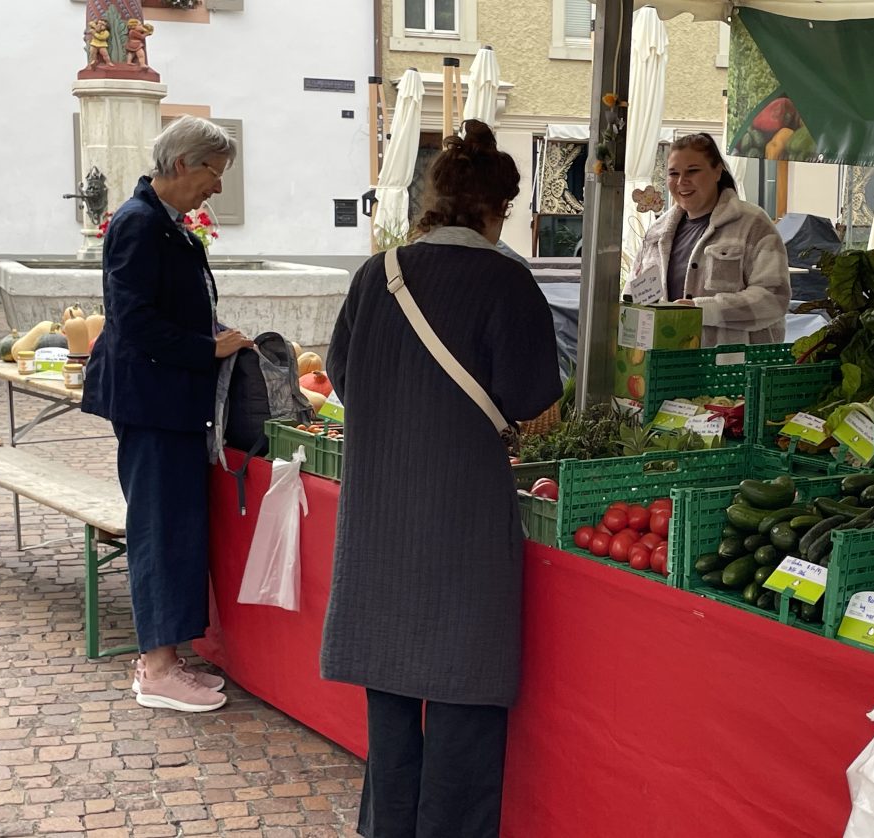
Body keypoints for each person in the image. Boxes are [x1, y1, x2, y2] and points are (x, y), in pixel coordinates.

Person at [319, 119, 561, 838]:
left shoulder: (377, 274)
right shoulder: (507, 282)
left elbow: (340, 375)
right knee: (464, 696)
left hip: (380, 513)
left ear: (436, 199)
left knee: (390, 700)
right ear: (497, 209)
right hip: (462, 519)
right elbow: (530, 401)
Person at [81, 116, 251, 713]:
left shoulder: (166, 223)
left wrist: (215, 331)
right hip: (152, 403)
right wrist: (207, 348)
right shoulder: (138, 224)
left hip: (168, 401)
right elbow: (134, 322)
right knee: (159, 529)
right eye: (213, 172)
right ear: (182, 164)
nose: (217, 187)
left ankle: (168, 656)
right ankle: (156, 669)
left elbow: (171, 307)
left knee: (176, 527)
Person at [630, 133, 790, 347]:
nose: (681, 181)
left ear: (717, 171)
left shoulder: (753, 224)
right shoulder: (656, 233)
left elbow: (773, 299)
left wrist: (702, 311)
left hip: (734, 371)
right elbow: (634, 295)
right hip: (668, 367)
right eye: (673, 173)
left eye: (693, 171)